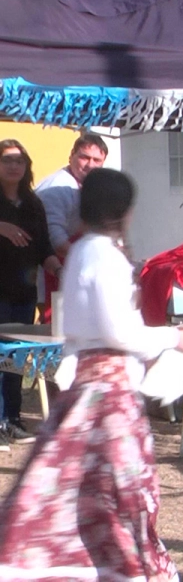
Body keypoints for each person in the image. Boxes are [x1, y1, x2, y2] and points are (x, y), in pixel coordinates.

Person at [0, 168, 183, 580]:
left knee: (73, 488)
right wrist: (173, 337)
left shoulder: (82, 251)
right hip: (107, 396)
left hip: (88, 391)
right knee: (117, 493)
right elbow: (117, 331)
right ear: (124, 211)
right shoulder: (103, 255)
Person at [0, 140, 63, 449]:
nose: (14, 166)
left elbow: (44, 247)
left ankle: (12, 420)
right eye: (7, 160)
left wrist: (60, 270)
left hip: (23, 292)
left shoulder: (33, 203)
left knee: (15, 357)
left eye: (19, 161)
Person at [35, 133, 108, 323]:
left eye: (96, 160)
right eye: (84, 157)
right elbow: (54, 238)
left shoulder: (87, 187)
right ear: (71, 157)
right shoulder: (58, 187)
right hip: (49, 269)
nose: (90, 165)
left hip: (71, 271)